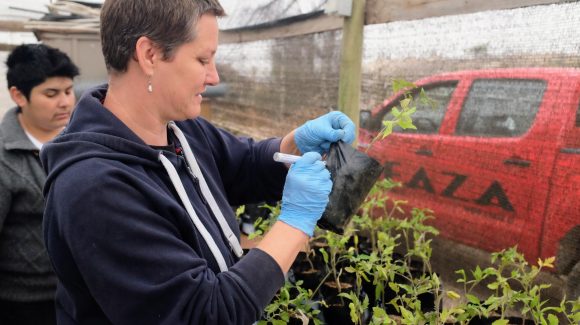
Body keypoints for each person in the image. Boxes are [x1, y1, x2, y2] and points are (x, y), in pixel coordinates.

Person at [40, 0, 356, 324]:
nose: (214, 77)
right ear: (149, 55)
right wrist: (294, 223)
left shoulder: (178, 128)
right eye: (203, 59)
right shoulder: (96, 189)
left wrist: (293, 146)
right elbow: (205, 314)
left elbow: (242, 164)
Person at [0, 44, 79, 325]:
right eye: (51, 94)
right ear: (18, 95)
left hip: (81, 295)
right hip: (24, 305)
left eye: (68, 91)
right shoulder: (5, 158)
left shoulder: (82, 142)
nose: (65, 102)